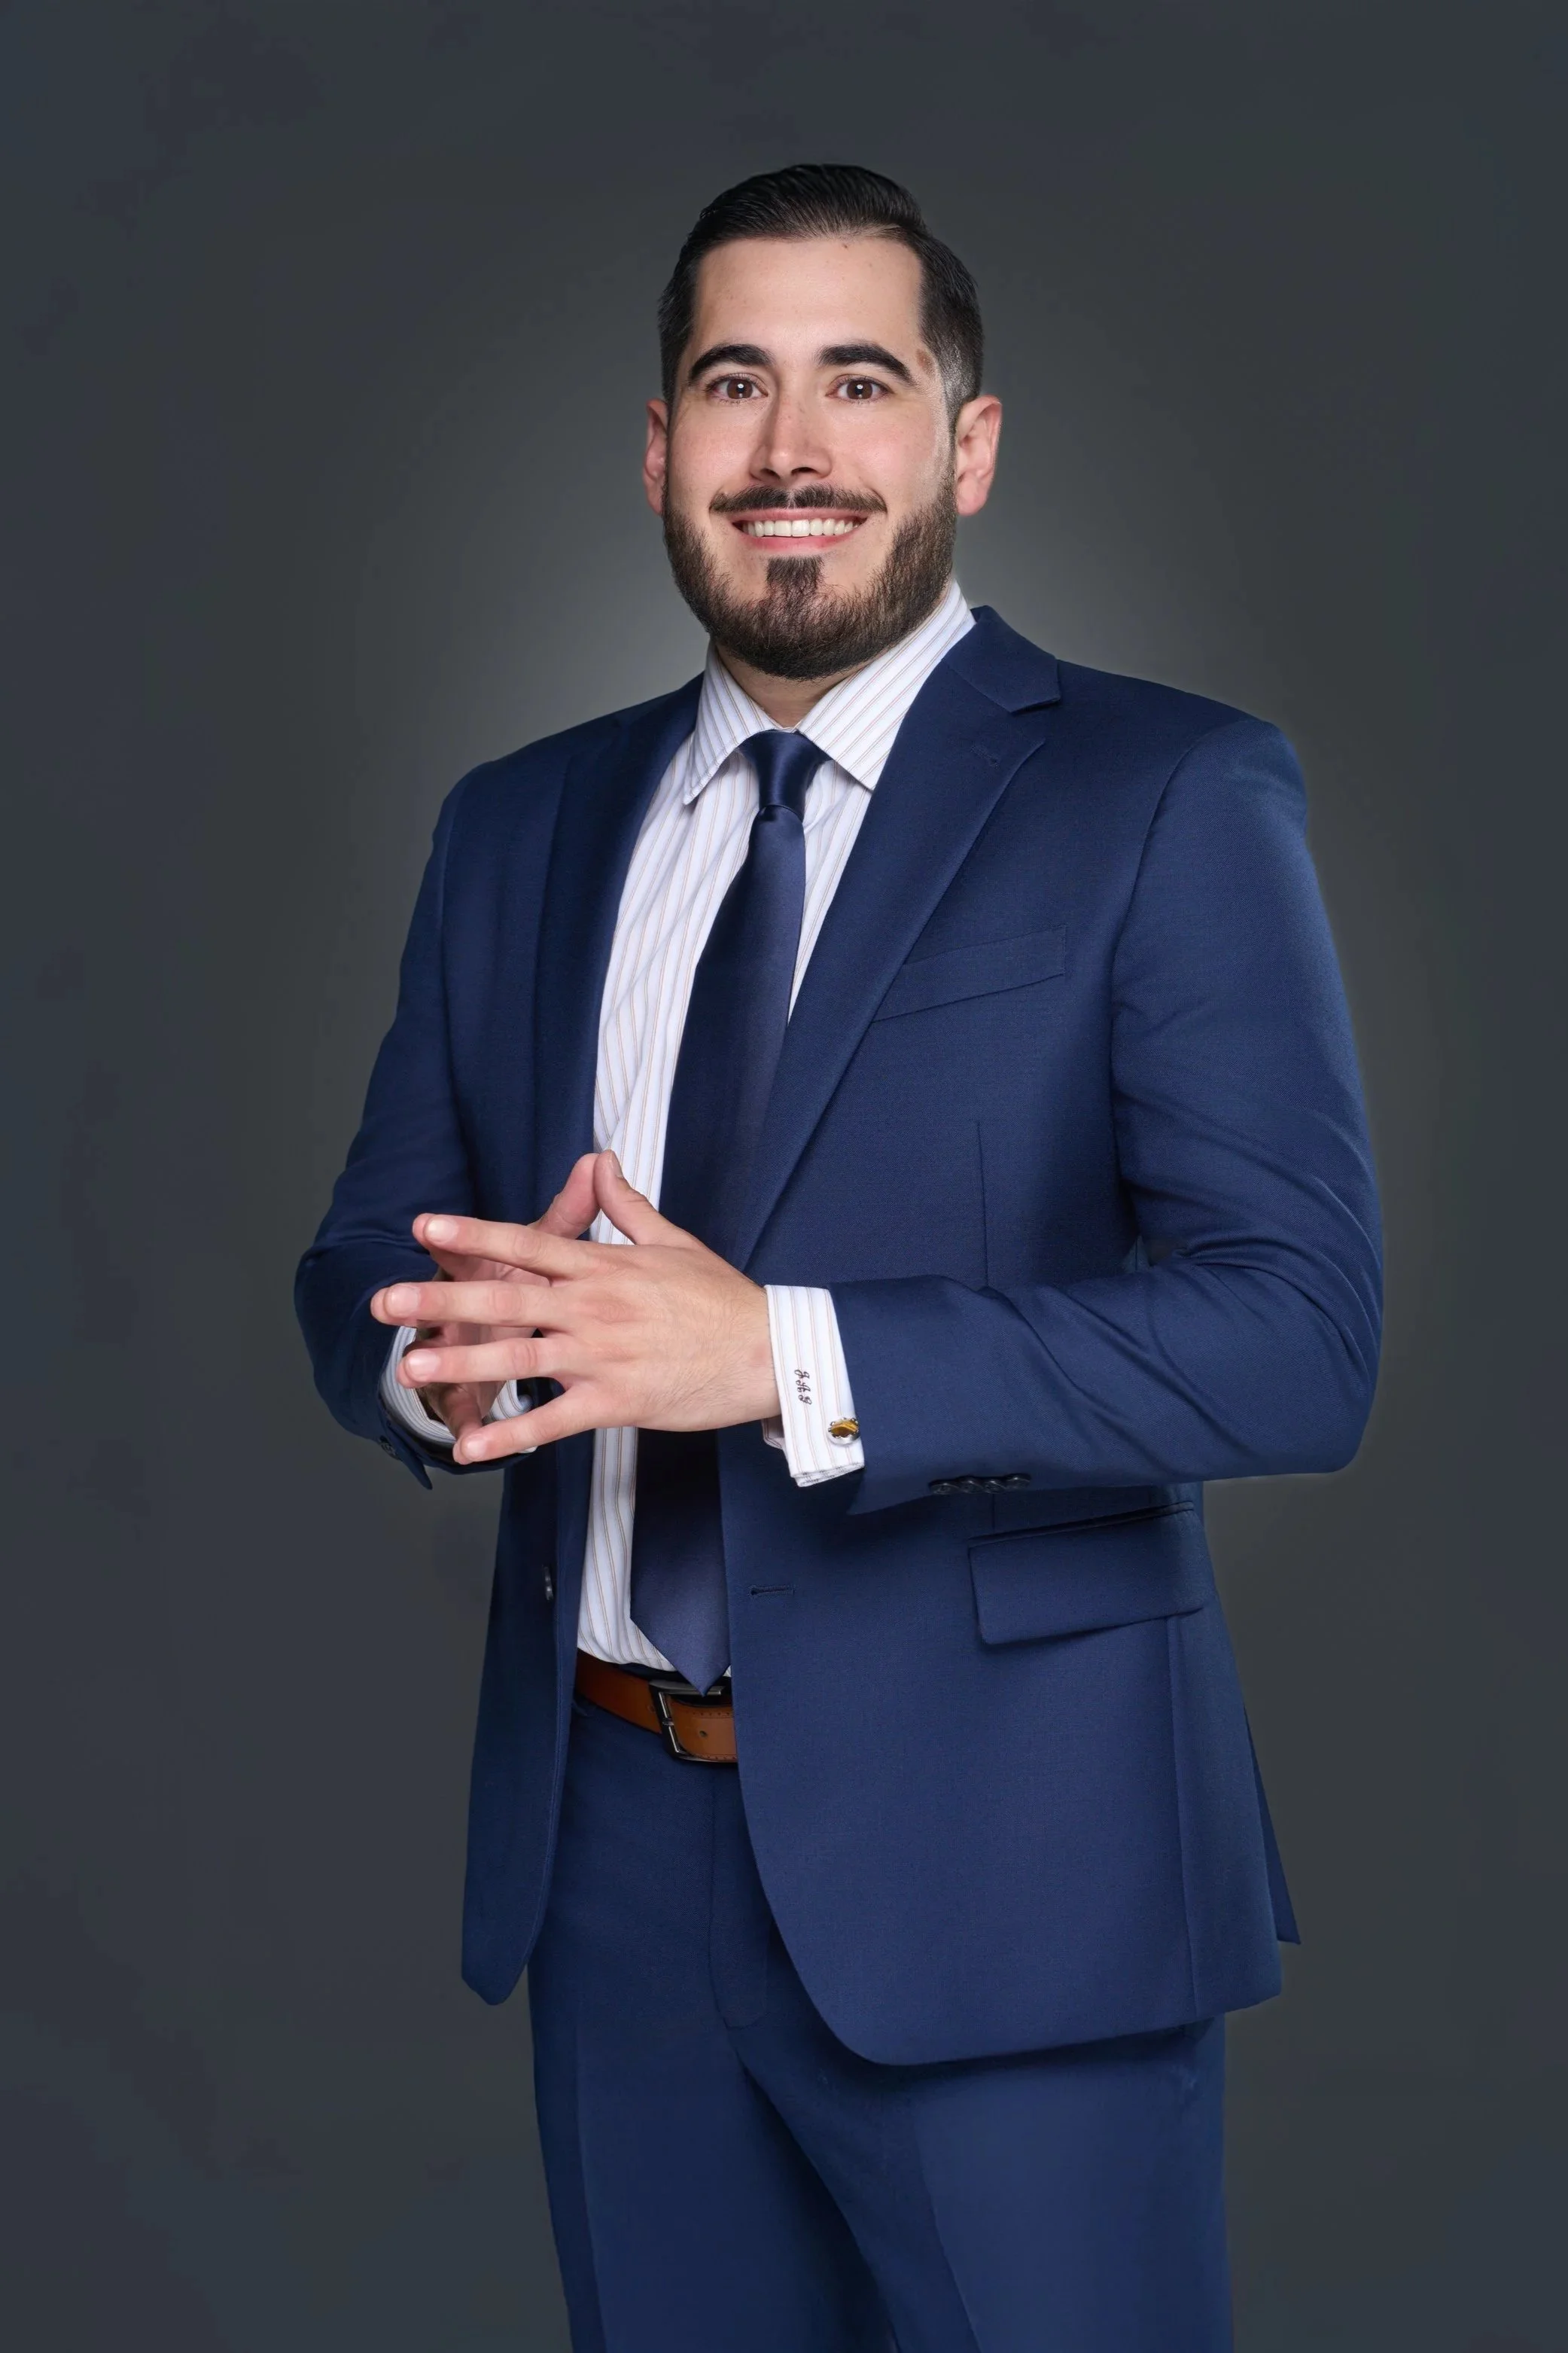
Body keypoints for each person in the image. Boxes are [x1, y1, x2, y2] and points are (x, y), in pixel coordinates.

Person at [297, 163, 1381, 2351]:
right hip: (610, 1858)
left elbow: (1298, 1338)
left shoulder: (1167, 793)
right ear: (659, 449)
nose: (791, 447)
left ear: (966, 446)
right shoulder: (516, 823)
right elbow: (361, 1259)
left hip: (1020, 1882)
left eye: (858, 382)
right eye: (735, 384)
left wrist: (781, 1355)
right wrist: (438, 1362)